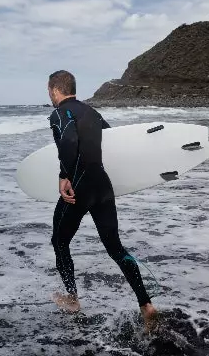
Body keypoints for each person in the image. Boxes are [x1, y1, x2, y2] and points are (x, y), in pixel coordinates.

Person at [46, 70, 158, 332]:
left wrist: (65, 176)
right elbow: (114, 144)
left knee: (59, 241)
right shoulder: (93, 113)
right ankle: (146, 305)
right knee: (115, 248)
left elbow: (69, 142)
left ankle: (72, 298)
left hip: (79, 188)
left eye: (49, 92)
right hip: (102, 186)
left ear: (54, 90)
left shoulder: (59, 114)